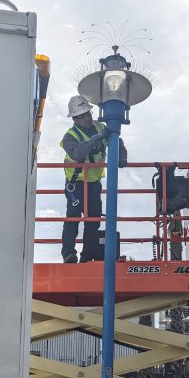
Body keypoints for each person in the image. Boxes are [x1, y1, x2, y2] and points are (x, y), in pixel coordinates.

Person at [60, 95, 127, 263]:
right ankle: (69, 253)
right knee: (73, 219)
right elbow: (78, 153)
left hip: (94, 184)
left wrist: (121, 156)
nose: (87, 118)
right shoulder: (70, 136)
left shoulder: (99, 126)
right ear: (75, 118)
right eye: (82, 116)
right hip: (76, 184)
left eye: (88, 113)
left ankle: (86, 256)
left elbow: (117, 140)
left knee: (93, 221)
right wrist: (97, 138)